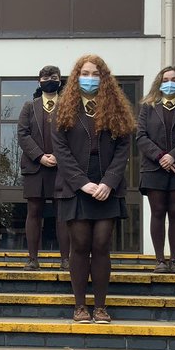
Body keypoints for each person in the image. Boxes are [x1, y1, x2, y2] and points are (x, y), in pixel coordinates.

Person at [54, 54, 135, 324]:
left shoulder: (116, 108)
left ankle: (100, 306)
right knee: (79, 244)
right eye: (85, 74)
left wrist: (108, 182)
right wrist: (82, 183)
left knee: (101, 244)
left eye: (95, 74)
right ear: (76, 77)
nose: (90, 78)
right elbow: (61, 151)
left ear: (104, 78)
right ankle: (80, 306)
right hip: (76, 187)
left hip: (106, 186)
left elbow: (123, 149)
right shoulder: (63, 108)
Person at [137, 65, 175, 273]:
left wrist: (173, 156)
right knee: (157, 212)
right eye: (165, 80)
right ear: (159, 83)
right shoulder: (147, 108)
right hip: (153, 169)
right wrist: (161, 157)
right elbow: (141, 137)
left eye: (174, 80)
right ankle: (160, 261)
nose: (170, 84)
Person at [18, 65, 69, 271]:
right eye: (46, 77)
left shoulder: (68, 106)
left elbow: (74, 134)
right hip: (35, 168)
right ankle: (32, 259)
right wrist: (40, 156)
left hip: (62, 168)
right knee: (34, 212)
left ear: (60, 80)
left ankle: (66, 259)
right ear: (39, 81)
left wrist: (59, 156)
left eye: (53, 77)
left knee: (62, 214)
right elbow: (22, 134)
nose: (49, 80)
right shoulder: (29, 107)